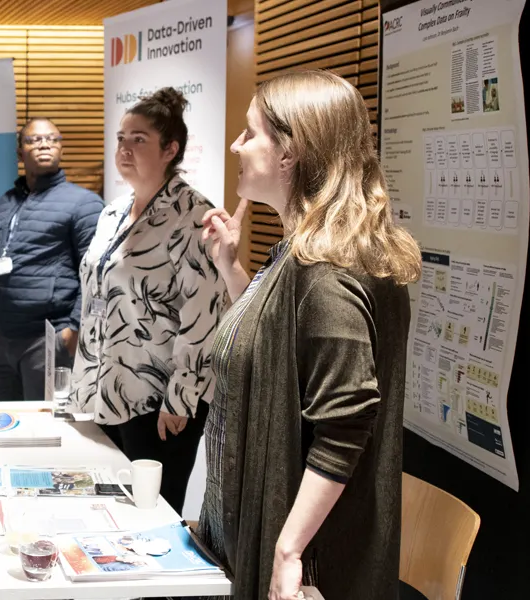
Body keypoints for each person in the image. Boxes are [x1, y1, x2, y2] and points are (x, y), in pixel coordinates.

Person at [196, 70, 420, 600]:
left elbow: (345, 422)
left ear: (290, 151)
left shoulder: (327, 272)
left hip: (313, 569)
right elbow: (274, 347)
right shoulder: (301, 253)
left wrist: (289, 549)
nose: (236, 144)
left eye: (250, 133)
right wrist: (231, 270)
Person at [71, 88, 228, 515]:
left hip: (158, 402)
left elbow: (206, 314)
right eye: (121, 138)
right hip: (105, 394)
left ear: (170, 149)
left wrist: (181, 398)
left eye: (138, 139)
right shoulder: (113, 213)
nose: (124, 148)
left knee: (151, 523)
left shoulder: (194, 215)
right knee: (106, 518)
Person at [0, 118, 103, 401]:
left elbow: (96, 273)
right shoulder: (4, 203)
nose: (45, 143)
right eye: (34, 140)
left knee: (47, 431)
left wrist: (74, 330)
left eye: (53, 139)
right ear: (20, 153)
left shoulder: (84, 204)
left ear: (61, 148)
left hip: (48, 337)